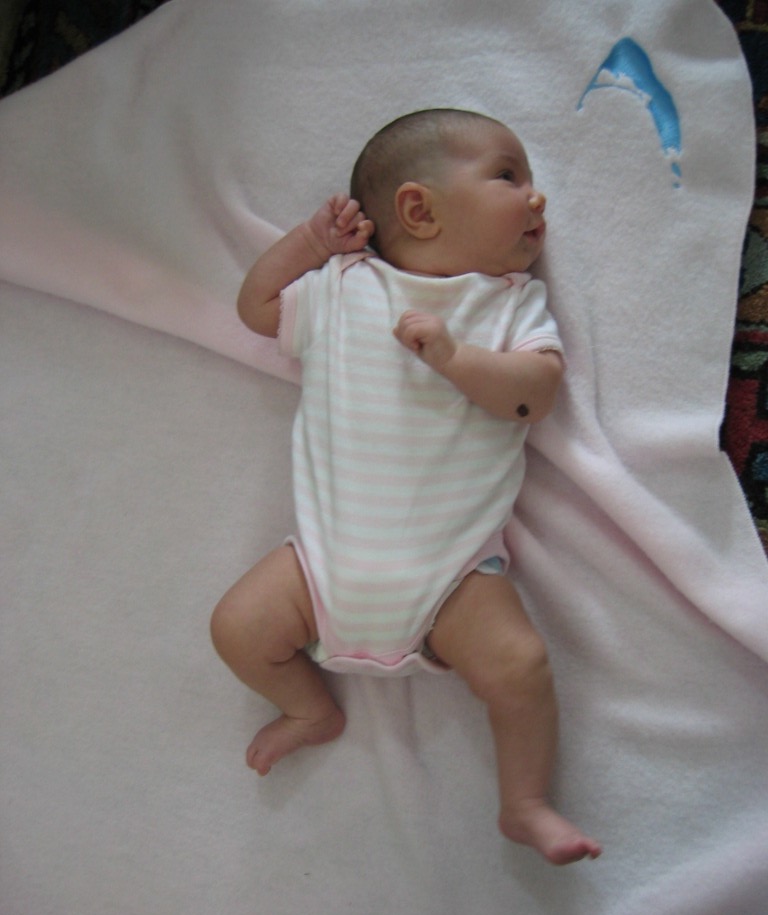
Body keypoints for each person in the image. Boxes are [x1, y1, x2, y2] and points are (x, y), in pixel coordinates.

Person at [210, 108, 602, 865]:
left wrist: (457, 359)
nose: (537, 198)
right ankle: (309, 710)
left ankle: (524, 802)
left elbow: (535, 395)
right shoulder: (343, 288)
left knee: (519, 665)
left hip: (452, 573)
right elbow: (255, 308)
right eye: (508, 176)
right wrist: (308, 244)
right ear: (419, 209)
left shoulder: (512, 304)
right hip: (321, 566)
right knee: (235, 628)